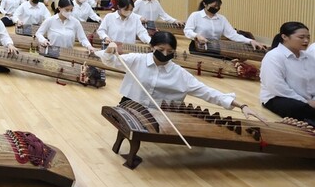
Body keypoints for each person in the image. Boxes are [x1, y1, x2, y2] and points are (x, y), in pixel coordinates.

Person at [97, 31, 265, 121]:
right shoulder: (137, 60)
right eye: (160, 50)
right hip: (131, 106)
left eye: (170, 51)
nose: (165, 54)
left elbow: (206, 92)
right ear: (151, 47)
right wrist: (109, 50)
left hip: (162, 114)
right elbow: (109, 61)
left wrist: (241, 105)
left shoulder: (179, 73)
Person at [259, 22, 315, 124]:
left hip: (309, 100)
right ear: (285, 37)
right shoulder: (273, 56)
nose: (306, 41)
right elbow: (276, 86)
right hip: (279, 97)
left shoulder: (309, 58)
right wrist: (306, 102)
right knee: (301, 109)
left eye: (308, 37)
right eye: (301, 37)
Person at [184, 0, 266, 51]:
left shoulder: (222, 19)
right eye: (214, 6)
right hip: (198, 47)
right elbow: (187, 30)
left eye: (218, 6)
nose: (216, 8)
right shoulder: (195, 15)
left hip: (216, 47)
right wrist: (197, 36)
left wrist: (250, 41)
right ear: (205, 4)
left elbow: (232, 34)